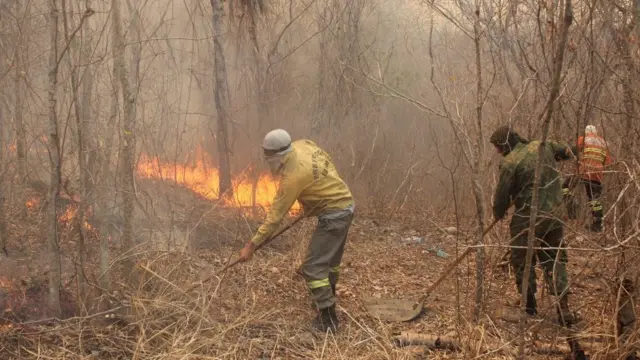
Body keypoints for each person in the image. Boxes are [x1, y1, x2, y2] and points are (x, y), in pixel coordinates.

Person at [238, 129, 355, 333]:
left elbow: (274, 218)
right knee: (330, 262)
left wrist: (251, 245)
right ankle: (328, 296)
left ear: (276, 155)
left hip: (334, 216)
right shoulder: (304, 144)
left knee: (312, 267)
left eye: (268, 156)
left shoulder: (293, 177)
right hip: (346, 204)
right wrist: (316, 198)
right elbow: (324, 165)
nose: (267, 160)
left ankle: (328, 320)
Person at [490, 125, 579, 327]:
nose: (497, 151)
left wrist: (499, 212)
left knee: (522, 261)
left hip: (526, 220)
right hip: (554, 217)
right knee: (555, 260)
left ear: (505, 144)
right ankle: (563, 307)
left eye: (497, 147)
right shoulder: (544, 146)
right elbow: (569, 152)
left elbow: (502, 196)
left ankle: (529, 307)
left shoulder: (510, 163)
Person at [562, 125, 613, 232]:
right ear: (596, 132)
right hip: (597, 175)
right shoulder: (603, 143)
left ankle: (572, 212)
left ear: (586, 132)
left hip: (583, 172)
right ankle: (598, 224)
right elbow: (608, 162)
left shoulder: (584, 139)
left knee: (565, 187)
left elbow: (571, 152)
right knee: (595, 200)